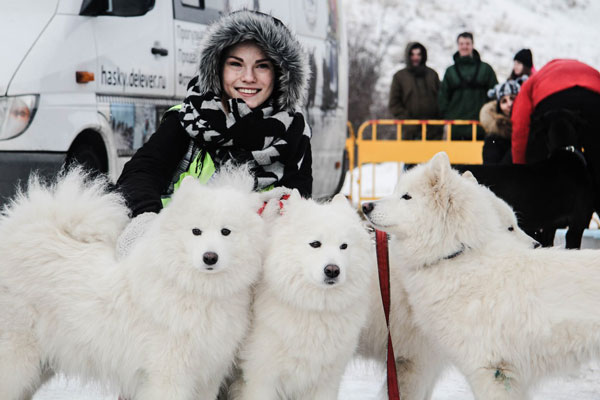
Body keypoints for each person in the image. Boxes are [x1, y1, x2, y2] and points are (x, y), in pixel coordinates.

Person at [115, 10, 311, 255]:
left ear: (280, 74)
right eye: (235, 64)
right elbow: (141, 173)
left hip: (250, 262)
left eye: (262, 66)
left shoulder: (294, 133)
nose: (248, 77)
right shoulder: (188, 119)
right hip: (178, 253)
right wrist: (146, 219)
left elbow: (300, 211)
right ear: (217, 69)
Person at [511, 59, 600, 183]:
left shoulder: (532, 80)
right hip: (594, 93)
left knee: (540, 156)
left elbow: (520, 128)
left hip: (550, 98)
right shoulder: (590, 70)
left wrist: (519, 171)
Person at [438, 32, 498, 140]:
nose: (464, 47)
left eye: (467, 43)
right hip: (455, 128)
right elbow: (443, 98)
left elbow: (495, 96)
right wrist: (447, 118)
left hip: (480, 127)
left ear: (472, 45)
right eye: (461, 44)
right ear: (458, 46)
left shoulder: (486, 69)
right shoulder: (450, 72)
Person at [388, 42, 441, 139]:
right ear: (408, 56)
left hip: (433, 131)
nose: (415, 57)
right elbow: (394, 104)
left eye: (418, 54)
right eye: (412, 54)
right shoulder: (399, 77)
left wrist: (437, 123)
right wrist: (409, 123)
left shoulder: (432, 75)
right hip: (409, 132)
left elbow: (441, 99)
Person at [479, 79, 521, 164]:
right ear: (499, 107)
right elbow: (492, 169)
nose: (509, 104)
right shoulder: (493, 137)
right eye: (504, 101)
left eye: (512, 98)